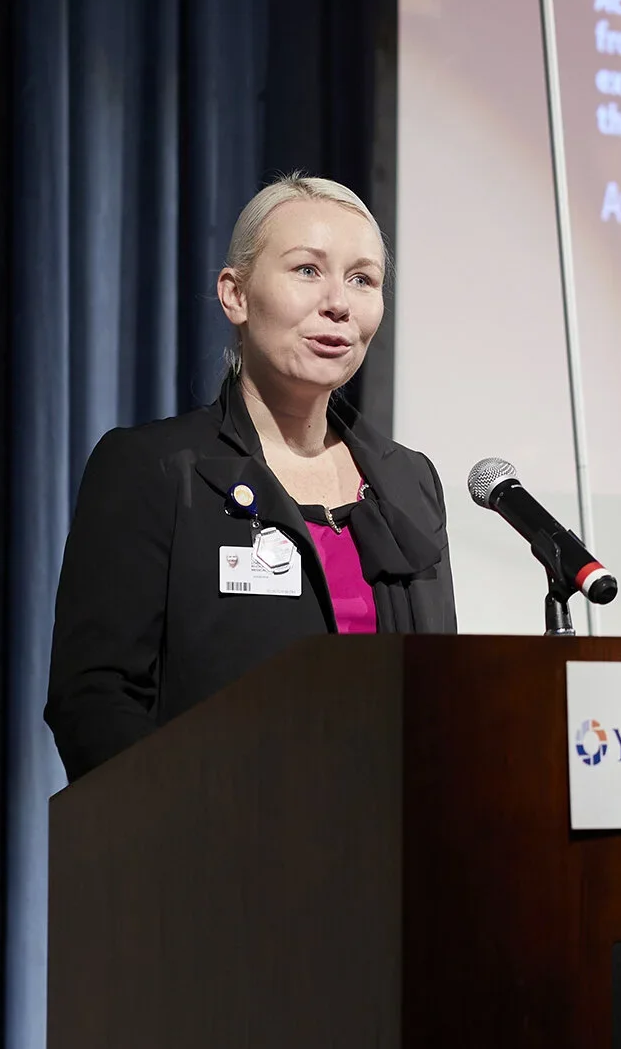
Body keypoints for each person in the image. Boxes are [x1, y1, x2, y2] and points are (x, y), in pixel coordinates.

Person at [45, 174, 456, 782]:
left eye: (362, 279)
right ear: (234, 295)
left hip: (391, 831)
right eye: (307, 270)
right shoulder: (155, 469)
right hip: (213, 832)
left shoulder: (409, 482)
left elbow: (442, 695)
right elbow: (94, 701)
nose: (339, 302)